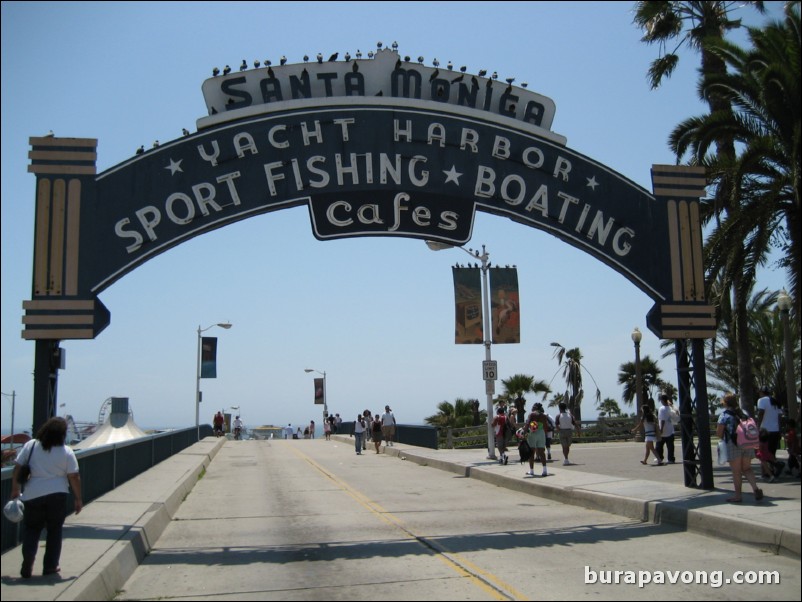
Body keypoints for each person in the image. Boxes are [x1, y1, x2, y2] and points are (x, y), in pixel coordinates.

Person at [11, 417, 82, 579]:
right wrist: (78, 498)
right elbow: (74, 476)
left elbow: (17, 468)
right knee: (54, 531)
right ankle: (50, 566)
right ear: (63, 434)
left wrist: (15, 489)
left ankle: (28, 559)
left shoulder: (31, 445)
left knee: (31, 529)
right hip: (57, 495)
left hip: (32, 494)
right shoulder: (66, 451)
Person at [717, 393, 763, 503]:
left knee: (736, 471)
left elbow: (719, 433)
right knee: (747, 468)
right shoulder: (744, 413)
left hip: (733, 444)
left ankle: (738, 496)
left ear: (725, 403)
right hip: (748, 443)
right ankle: (755, 489)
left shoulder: (724, 415)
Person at [756, 388, 782, 460]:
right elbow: (779, 417)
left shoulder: (761, 400)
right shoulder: (775, 401)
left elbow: (761, 413)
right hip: (775, 430)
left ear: (762, 392)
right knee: (772, 452)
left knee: (763, 453)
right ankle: (773, 468)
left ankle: (767, 470)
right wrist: (780, 430)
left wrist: (758, 426)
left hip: (765, 431)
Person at [524, 403, 549, 477]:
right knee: (541, 452)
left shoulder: (531, 414)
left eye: (533, 406)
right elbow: (545, 426)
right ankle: (545, 470)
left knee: (531, 452)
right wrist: (545, 435)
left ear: (535, 407)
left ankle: (531, 471)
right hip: (541, 433)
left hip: (533, 433)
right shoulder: (543, 415)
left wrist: (524, 432)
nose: (531, 408)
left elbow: (528, 424)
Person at [655, 394, 676, 465]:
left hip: (663, 431)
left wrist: (660, 430)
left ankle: (659, 458)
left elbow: (662, 420)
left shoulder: (662, 409)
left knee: (659, 446)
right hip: (671, 430)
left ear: (662, 400)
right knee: (670, 447)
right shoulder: (671, 408)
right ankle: (671, 459)